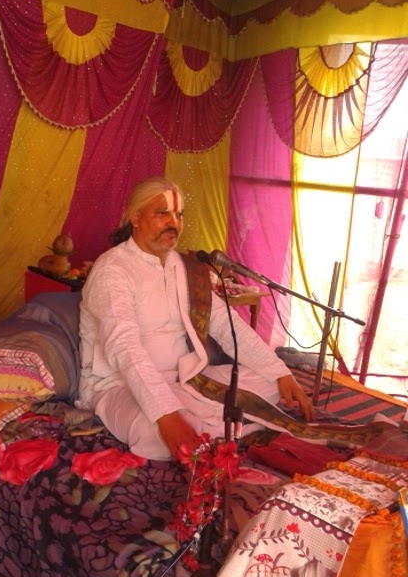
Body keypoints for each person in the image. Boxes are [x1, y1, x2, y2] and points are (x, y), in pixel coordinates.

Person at [77, 177, 314, 460]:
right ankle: (227, 429)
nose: (173, 223)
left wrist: (280, 371)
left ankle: (213, 430)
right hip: (118, 386)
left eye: (179, 215)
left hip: (184, 379)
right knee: (154, 434)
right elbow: (123, 345)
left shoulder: (183, 267)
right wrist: (165, 413)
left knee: (270, 383)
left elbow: (225, 323)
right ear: (136, 217)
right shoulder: (112, 270)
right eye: (162, 213)